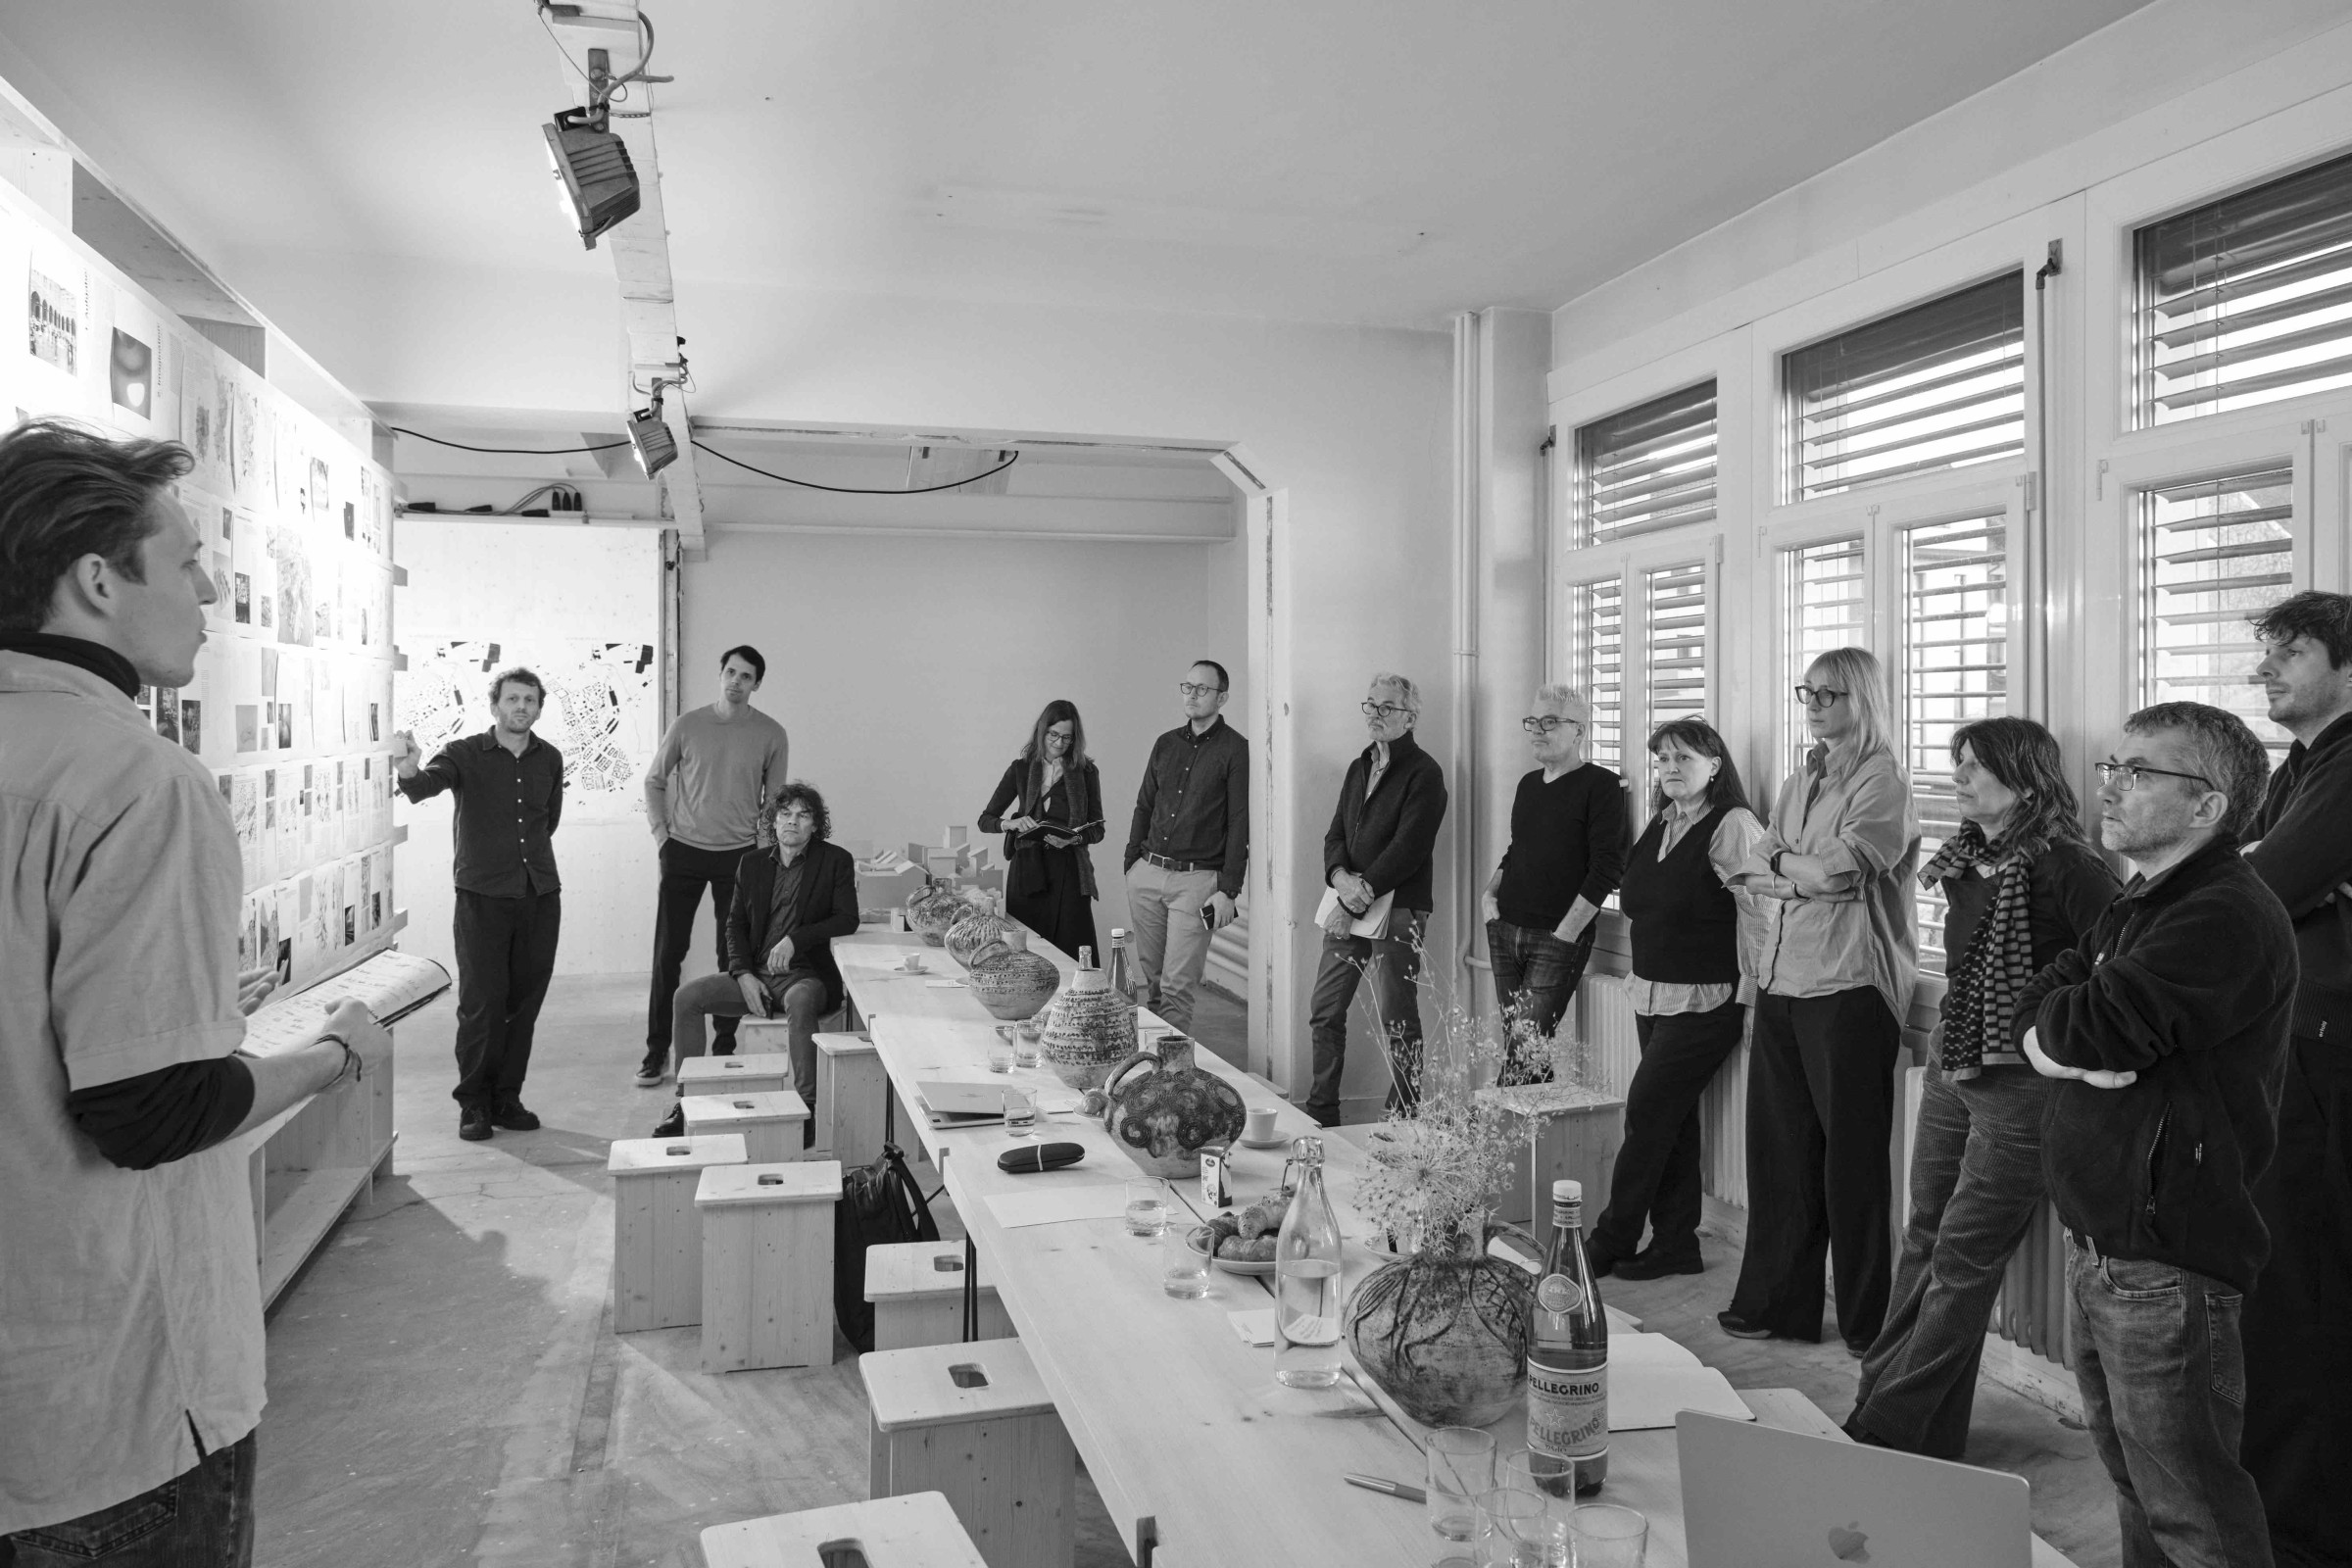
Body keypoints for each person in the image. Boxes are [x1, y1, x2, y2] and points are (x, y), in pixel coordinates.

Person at [0, 418, 389, 1563]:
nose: (212, 590)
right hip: (111, 1402)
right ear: (97, 581)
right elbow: (150, 1108)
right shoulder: (136, 778)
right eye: (186, 561)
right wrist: (334, 1055)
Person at [2018, 701, 2293, 1568]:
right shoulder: (2142, 899)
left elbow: (2089, 1025)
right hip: (2105, 1243)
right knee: (2139, 1489)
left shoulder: (2222, 914)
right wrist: (2060, 1048)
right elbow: (2042, 1002)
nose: (2109, 786)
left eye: (2138, 773)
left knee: (2194, 1513)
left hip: (2167, 1260)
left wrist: (2061, 1046)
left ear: (2208, 805)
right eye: (2112, 767)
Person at [1846, 717, 2118, 1458]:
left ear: (2025, 781)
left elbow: (2118, 966)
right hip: (1954, 1056)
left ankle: (1888, 1427)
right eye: (1957, 762)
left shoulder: (2070, 867)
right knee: (1923, 1237)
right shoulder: (1966, 859)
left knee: (1964, 1259)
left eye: (1975, 766)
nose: (1958, 777)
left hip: (2023, 1086)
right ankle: (1897, 1407)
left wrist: (2054, 1045)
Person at [1722, 646, 1919, 1352]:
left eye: (1828, 694)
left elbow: (1840, 875)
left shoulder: (1883, 780)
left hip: (1850, 987)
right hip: (1781, 979)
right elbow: (1757, 862)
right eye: (1807, 692)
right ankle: (1779, 1306)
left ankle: (1868, 1325)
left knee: (1852, 1167)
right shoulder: (1801, 776)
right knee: (1780, 1157)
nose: (1813, 705)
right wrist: (1794, 870)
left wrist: (1788, 869)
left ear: (1862, 698)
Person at [2237, 591, 2352, 1568]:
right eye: (2265, 651)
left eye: (2293, 651)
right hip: (2296, 1042)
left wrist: (2268, 874)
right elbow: (2251, 875)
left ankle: (2304, 1537)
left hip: (2328, 1054)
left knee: (2308, 1294)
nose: (2266, 669)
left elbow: (2256, 889)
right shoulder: (2302, 765)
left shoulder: (2349, 761)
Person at [1587, 718, 1766, 1281]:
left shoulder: (1732, 824)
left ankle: (1609, 1240)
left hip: (1707, 1000)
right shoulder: (1662, 820)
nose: (1669, 768)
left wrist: (1755, 995)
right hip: (1651, 994)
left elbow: (1761, 912)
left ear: (1714, 765)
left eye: (1683, 758)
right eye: (1662, 759)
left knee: (1646, 1114)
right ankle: (1675, 1244)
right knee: (1673, 1121)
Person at [394, 669, 564, 1142]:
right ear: (494, 706)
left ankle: (507, 1098)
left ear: (538, 708)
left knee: (523, 1004)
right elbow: (424, 786)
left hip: (539, 895)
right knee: (481, 1004)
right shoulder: (464, 753)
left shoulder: (550, 758)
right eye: (512, 699)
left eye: (529, 700)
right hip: (482, 898)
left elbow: (547, 821)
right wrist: (409, 769)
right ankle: (474, 1103)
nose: (521, 707)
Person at [659, 783, 857, 1142]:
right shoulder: (751, 864)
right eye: (785, 814)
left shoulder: (835, 861)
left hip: (806, 975)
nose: (792, 821)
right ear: (773, 821)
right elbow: (734, 925)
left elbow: (847, 919)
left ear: (815, 825)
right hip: (757, 975)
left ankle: (806, 1110)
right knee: (686, 998)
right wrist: (744, 974)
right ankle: (685, 1102)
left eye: (803, 815)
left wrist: (796, 939)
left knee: (800, 1001)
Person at [635, 645, 791, 1088]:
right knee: (668, 953)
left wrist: (763, 852)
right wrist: (661, 835)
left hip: (739, 856)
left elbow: (774, 802)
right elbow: (654, 780)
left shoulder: (771, 733)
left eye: (746, 676)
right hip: (683, 849)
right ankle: (655, 1051)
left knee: (733, 954)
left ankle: (724, 1047)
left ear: (757, 684)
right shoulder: (688, 725)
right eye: (730, 673)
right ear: (720, 675)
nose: (735, 682)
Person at [1306, 672, 1448, 1126]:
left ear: (1410, 718)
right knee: (1325, 1011)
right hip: (1348, 901)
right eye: (1370, 704)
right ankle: (1322, 1113)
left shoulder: (1425, 773)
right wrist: (1338, 876)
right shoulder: (1359, 766)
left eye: (1387, 707)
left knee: (1398, 1018)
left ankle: (1402, 1119)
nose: (1375, 714)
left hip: (1399, 908)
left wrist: (1353, 899)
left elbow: (1409, 849)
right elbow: (1335, 834)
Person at [1480, 685, 1626, 1066]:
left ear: (1579, 731)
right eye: (1532, 721)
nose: (1536, 730)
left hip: (1556, 939)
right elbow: (1516, 850)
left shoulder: (1601, 786)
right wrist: (1489, 897)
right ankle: (1532, 1111)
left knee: (1522, 1057)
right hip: (1505, 929)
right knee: (1524, 1055)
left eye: (1549, 722)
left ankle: (1508, 1110)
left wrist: (1566, 933)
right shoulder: (1528, 784)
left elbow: (1607, 867)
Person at [1123, 660, 1248, 1032]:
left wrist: (1229, 890)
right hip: (1147, 873)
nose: (1192, 695)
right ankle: (1153, 1059)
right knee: (1153, 980)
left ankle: (1170, 1067)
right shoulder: (1166, 744)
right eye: (1188, 687)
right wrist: (1132, 863)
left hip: (1196, 882)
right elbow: (1145, 805)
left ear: (1222, 697)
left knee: (1177, 987)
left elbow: (1240, 822)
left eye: (1202, 689)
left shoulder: (1235, 749)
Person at [977, 699, 1104, 960]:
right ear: (1042, 731)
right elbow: (986, 819)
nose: (1059, 743)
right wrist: (1011, 823)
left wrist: (1073, 839)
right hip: (1028, 872)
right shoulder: (1021, 769)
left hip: (1069, 872)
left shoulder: (1086, 772)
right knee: (1025, 954)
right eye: (1053, 735)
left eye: (1067, 737)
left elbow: (1097, 829)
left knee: (1075, 952)